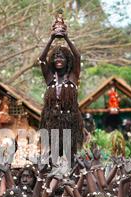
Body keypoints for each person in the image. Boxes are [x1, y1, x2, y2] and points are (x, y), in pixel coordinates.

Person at [39, 25, 84, 156]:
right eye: (56, 57)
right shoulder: (49, 78)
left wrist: (67, 38)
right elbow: (41, 59)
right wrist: (51, 39)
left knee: (69, 155)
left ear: (67, 60)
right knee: (53, 156)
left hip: (70, 121)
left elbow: (78, 57)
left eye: (62, 57)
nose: (58, 59)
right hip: (52, 121)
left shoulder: (73, 76)